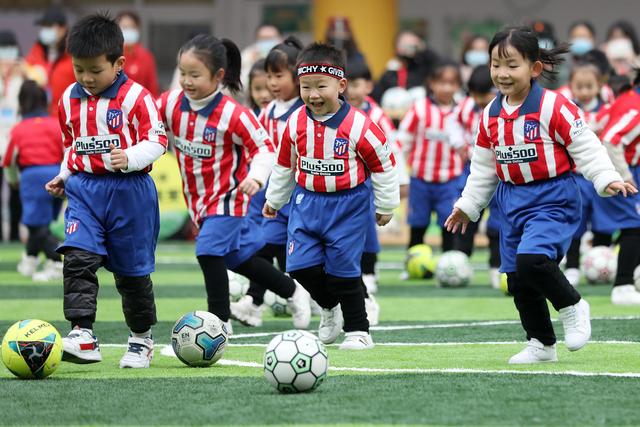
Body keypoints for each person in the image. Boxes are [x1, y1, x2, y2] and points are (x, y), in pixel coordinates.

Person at [445, 26, 636, 364]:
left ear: (534, 68)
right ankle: (541, 343)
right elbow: (484, 168)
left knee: (532, 260)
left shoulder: (554, 106)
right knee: (517, 279)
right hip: (510, 201)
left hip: (553, 197)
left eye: (512, 65)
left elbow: (586, 146)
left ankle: (573, 305)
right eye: (496, 65)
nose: (502, 73)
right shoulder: (489, 115)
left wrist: (606, 177)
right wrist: (468, 205)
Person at [156, 34, 311, 333]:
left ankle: (218, 323)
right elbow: (144, 119)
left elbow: (265, 148)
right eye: (183, 73)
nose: (186, 81)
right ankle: (292, 290)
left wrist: (256, 177)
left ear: (218, 76)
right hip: (197, 201)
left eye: (195, 75)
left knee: (207, 251)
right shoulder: (170, 103)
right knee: (236, 258)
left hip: (229, 198)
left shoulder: (232, 113)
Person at [45, 14, 168, 368]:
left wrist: (130, 157)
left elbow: (158, 140)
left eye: (95, 70)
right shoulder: (68, 99)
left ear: (118, 64)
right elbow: (72, 144)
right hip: (84, 192)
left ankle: (141, 339)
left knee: (131, 274)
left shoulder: (136, 97)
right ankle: (82, 334)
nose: (86, 78)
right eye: (79, 69)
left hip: (129, 193)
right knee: (77, 258)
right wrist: (64, 174)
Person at [264, 43, 399, 349]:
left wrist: (386, 205)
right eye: (305, 87)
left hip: (347, 207)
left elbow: (384, 165)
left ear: (341, 85)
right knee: (298, 266)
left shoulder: (360, 126)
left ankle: (358, 331)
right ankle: (328, 307)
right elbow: (284, 164)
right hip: (306, 203)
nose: (313, 95)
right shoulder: (295, 122)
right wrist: (274, 199)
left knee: (343, 272)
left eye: (321, 86)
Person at [231, 37, 306, 328]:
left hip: (300, 196)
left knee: (303, 258)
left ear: (297, 77)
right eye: (269, 77)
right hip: (272, 196)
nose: (272, 83)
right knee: (262, 247)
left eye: (278, 76)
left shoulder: (305, 111)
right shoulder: (268, 111)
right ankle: (254, 302)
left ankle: (355, 298)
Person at [345, 58, 409, 324]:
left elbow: (392, 148)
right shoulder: (336, 111)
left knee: (367, 226)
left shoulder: (377, 115)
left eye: (356, 84)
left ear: (369, 86)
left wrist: (401, 180)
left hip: (370, 179)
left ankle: (369, 271)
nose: (351, 90)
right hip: (344, 179)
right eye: (347, 84)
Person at [397, 59, 463, 269]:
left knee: (449, 224)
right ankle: (412, 265)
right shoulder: (419, 109)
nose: (446, 88)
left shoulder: (462, 112)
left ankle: (449, 266)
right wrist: (400, 172)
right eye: (441, 82)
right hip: (420, 179)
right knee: (418, 223)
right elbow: (404, 139)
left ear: (458, 85)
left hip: (450, 180)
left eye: (451, 83)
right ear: (432, 83)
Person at [3, 81, 63, 280]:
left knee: (36, 224)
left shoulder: (18, 129)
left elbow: (8, 160)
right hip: (57, 175)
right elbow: (68, 152)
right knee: (42, 222)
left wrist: (13, 181)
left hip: (32, 176)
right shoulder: (56, 124)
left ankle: (56, 262)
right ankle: (30, 260)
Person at [448, 65, 502, 289]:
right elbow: (451, 122)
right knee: (465, 214)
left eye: (483, 95)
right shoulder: (465, 108)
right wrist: (458, 143)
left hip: (500, 173)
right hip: (472, 169)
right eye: (475, 95)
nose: (479, 100)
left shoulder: (503, 108)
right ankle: (459, 263)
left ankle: (497, 267)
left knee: (497, 224)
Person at [563, 63, 615, 287]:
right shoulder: (568, 111)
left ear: (600, 86)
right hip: (577, 179)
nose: (584, 91)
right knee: (575, 223)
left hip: (601, 177)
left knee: (604, 223)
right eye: (579, 87)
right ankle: (572, 266)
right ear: (571, 87)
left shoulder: (608, 111)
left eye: (589, 86)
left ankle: (603, 261)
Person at [598, 70, 640, 304]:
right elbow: (611, 139)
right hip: (622, 171)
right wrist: (625, 175)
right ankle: (623, 286)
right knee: (635, 226)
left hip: (625, 168)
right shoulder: (636, 105)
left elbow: (599, 123)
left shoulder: (627, 99)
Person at [24, 6, 76, 116]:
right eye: (44, 26)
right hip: (38, 118)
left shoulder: (74, 56)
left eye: (49, 26)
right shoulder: (36, 52)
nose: (45, 30)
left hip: (65, 118)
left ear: (64, 28)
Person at [0, 30, 25, 242]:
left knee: (16, 190)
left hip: (17, 141)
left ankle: (16, 234)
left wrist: (22, 71)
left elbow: (40, 81)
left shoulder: (23, 73)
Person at [371, 30, 440, 103]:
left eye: (413, 44)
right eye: (405, 44)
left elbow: (440, 64)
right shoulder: (391, 70)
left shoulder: (424, 66)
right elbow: (377, 94)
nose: (409, 47)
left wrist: (423, 48)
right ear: (397, 48)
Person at [116, 10, 160, 96]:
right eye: (125, 27)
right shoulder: (111, 55)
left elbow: (152, 88)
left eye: (131, 27)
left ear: (137, 29)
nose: (128, 31)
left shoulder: (146, 56)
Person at [240, 24, 282, 92]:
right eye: (264, 39)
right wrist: (252, 65)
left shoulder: (287, 56)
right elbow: (240, 86)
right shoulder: (246, 56)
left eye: (271, 39)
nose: (267, 42)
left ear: (280, 39)